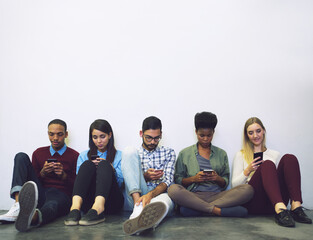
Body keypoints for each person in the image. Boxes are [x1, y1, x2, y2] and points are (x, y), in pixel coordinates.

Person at [168, 112, 254, 218]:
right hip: (194, 196)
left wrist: (217, 178)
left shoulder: (221, 153)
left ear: (213, 132)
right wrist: (194, 179)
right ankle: (217, 211)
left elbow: (225, 182)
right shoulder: (184, 153)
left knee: (248, 189)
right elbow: (178, 180)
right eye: (202, 135)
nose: (205, 139)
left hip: (218, 196)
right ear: (196, 132)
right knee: (173, 189)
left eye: (209, 135)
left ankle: (199, 209)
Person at [0, 119, 79, 232]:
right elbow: (32, 182)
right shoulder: (38, 153)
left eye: (60, 134)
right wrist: (42, 173)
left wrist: (63, 175)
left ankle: (32, 218)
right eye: (51, 134)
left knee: (52, 205)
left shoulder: (75, 155)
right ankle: (18, 205)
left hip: (61, 195)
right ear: (48, 134)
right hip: (40, 192)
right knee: (21, 156)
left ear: (66, 134)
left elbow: (77, 187)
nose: (55, 138)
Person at [232, 117, 312, 227]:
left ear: (264, 131)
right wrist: (248, 170)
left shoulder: (274, 154)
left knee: (290, 158)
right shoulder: (240, 155)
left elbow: (284, 179)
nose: (255, 136)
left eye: (258, 131)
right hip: (254, 202)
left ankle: (296, 207)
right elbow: (234, 186)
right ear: (247, 135)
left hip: (275, 202)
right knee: (267, 165)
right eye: (251, 133)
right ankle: (280, 209)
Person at [121, 116, 176, 235]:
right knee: (128, 151)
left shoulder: (169, 152)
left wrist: (150, 195)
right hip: (138, 194)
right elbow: (128, 180)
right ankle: (138, 207)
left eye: (156, 138)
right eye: (149, 138)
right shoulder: (135, 154)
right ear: (141, 133)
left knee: (163, 203)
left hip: (159, 194)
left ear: (161, 134)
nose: (152, 142)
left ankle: (142, 221)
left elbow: (168, 181)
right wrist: (145, 177)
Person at [64, 119, 124, 226]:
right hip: (88, 204)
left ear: (110, 135)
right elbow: (80, 184)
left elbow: (121, 185)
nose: (99, 141)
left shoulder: (120, 156)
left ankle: (99, 208)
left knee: (104, 165)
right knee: (88, 164)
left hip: (111, 202)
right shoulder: (83, 155)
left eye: (102, 136)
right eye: (95, 137)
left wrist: (111, 169)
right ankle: (74, 209)